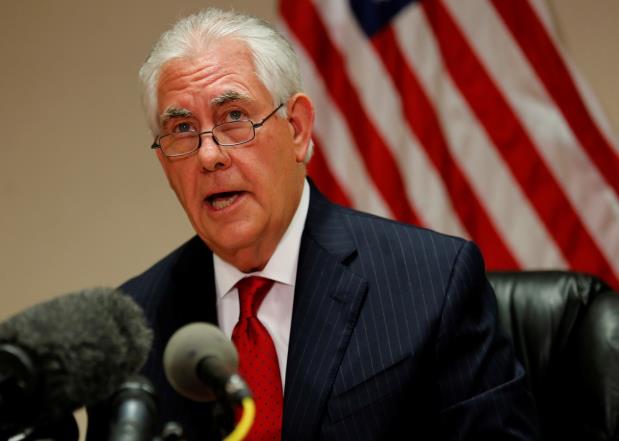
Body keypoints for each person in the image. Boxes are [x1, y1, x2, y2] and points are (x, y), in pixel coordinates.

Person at [90, 8, 540, 441]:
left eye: (234, 118)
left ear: (297, 129)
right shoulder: (130, 328)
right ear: (164, 163)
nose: (209, 156)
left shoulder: (432, 282)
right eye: (183, 130)